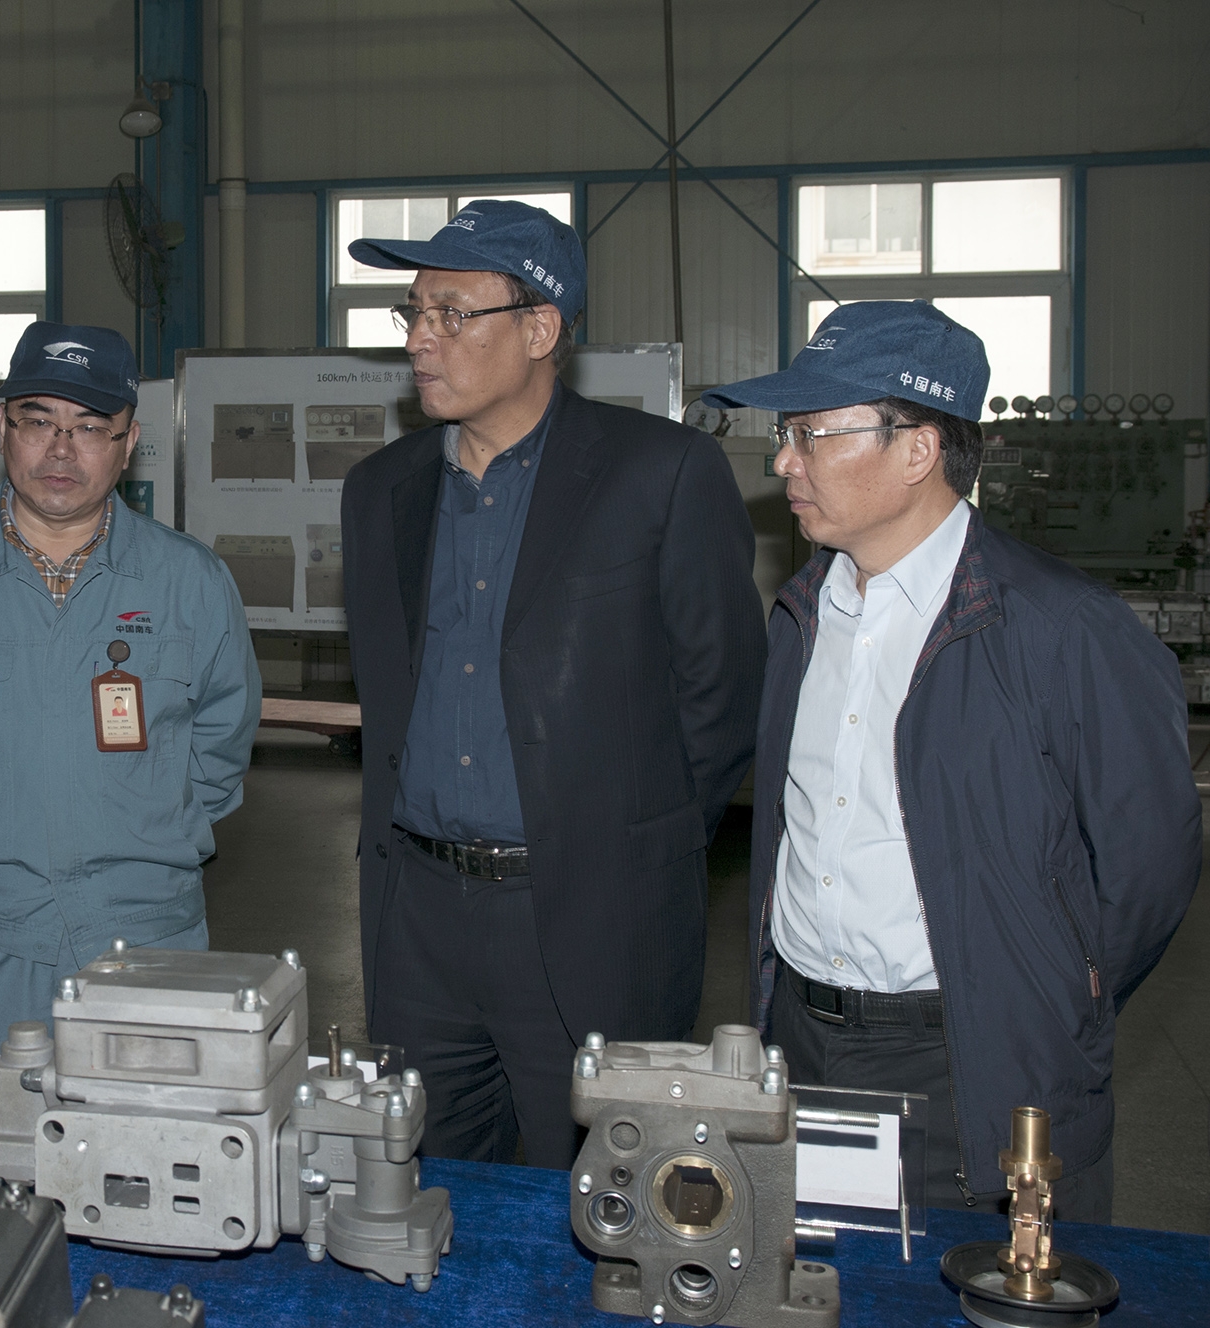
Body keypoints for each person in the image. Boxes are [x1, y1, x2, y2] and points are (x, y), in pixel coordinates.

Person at [703, 300, 1200, 1221]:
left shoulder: (1062, 630)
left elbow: (1150, 863)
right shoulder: (802, 616)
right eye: (785, 434)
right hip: (804, 1045)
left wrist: (1052, 993)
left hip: (973, 1065)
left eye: (812, 434)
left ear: (918, 451)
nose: (784, 462)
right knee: (817, 1277)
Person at [340, 200, 766, 1168]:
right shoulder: (380, 490)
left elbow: (723, 695)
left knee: (597, 1193)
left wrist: (630, 845)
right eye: (413, 312)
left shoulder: (659, 473)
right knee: (432, 1186)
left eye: (451, 313)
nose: (418, 339)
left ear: (539, 328)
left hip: (588, 913)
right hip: (417, 920)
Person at [0, 321, 261, 1112]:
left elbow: (221, 745)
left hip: (144, 940)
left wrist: (142, 835)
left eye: (89, 427)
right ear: (3, 427)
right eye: (38, 421)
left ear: (128, 442)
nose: (61, 449)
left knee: (147, 1155)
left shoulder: (189, 582)